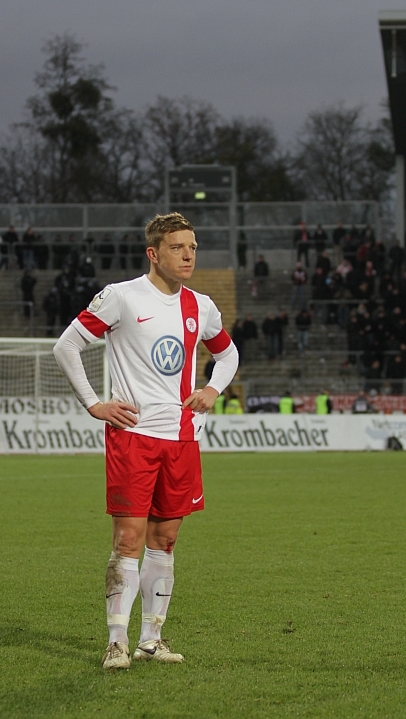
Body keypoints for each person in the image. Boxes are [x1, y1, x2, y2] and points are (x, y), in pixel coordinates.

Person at [53, 212, 239, 670]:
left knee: (166, 539)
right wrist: (94, 404)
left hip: (181, 439)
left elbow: (228, 353)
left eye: (192, 247)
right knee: (128, 538)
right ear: (153, 253)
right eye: (178, 248)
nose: (188, 255)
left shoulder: (201, 305)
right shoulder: (121, 297)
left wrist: (213, 389)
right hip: (133, 437)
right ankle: (116, 642)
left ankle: (151, 640)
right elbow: (66, 346)